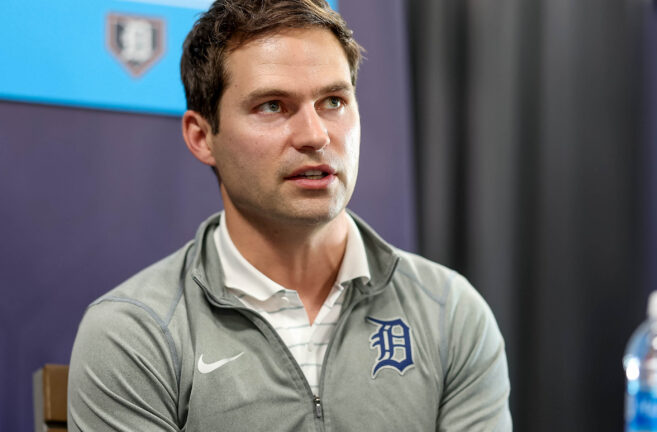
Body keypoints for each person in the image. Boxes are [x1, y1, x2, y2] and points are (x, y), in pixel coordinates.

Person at [67, 0, 512, 430]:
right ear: (202, 137)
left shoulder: (449, 311)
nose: (315, 135)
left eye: (333, 101)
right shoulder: (135, 332)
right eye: (273, 106)